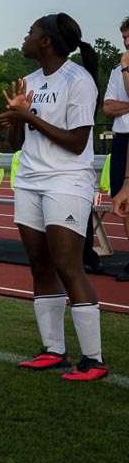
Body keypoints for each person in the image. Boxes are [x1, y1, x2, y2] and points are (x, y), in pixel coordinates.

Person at [0, 13, 108, 381]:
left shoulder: (79, 80)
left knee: (66, 264)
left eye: (31, 32)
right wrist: (16, 122)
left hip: (66, 181)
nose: (25, 37)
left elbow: (77, 143)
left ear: (46, 42)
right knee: (39, 264)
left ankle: (93, 359)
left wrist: (29, 115)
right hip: (29, 179)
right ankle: (53, 350)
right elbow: (18, 143)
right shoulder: (28, 81)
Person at [101, 16, 129, 282]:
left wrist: (126, 69)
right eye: (124, 38)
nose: (126, 42)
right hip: (122, 138)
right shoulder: (115, 70)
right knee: (123, 199)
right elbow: (108, 107)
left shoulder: (123, 67)